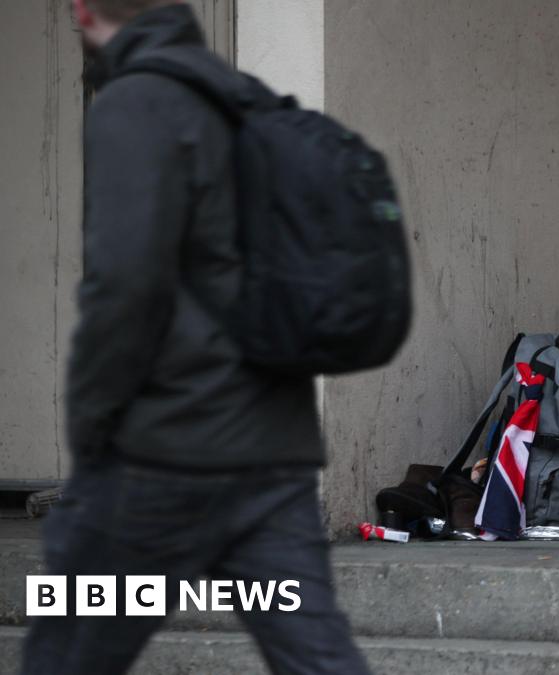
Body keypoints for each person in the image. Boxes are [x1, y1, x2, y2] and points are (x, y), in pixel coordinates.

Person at [22, 1, 371, 673]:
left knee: (67, 653)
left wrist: (93, 427)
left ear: (82, 10)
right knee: (320, 661)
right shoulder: (244, 98)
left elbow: (124, 284)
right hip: (274, 450)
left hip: (161, 453)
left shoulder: (135, 103)